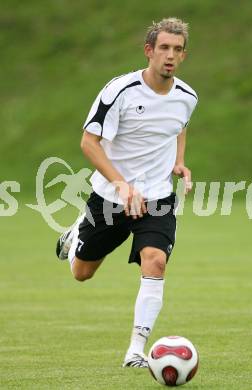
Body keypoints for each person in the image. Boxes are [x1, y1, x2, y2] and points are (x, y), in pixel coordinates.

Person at [56, 17, 198, 368]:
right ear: (149, 51)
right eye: (163, 48)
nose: (170, 55)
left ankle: (136, 349)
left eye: (177, 50)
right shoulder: (119, 91)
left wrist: (179, 161)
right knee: (82, 273)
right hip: (110, 197)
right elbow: (89, 143)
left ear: (183, 56)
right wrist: (121, 182)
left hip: (158, 197)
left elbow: (180, 126)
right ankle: (75, 236)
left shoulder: (187, 96)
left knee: (156, 261)